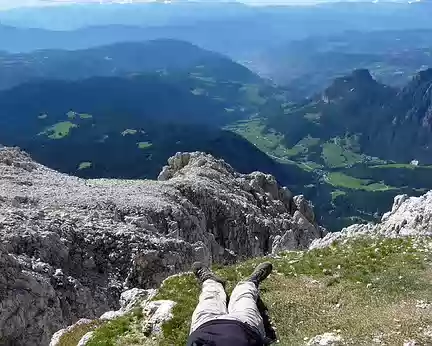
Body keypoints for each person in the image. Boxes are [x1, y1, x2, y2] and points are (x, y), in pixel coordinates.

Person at [187, 261, 273, 346]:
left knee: (209, 297)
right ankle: (250, 282)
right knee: (245, 298)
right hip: (246, 328)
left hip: (204, 325)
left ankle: (211, 280)